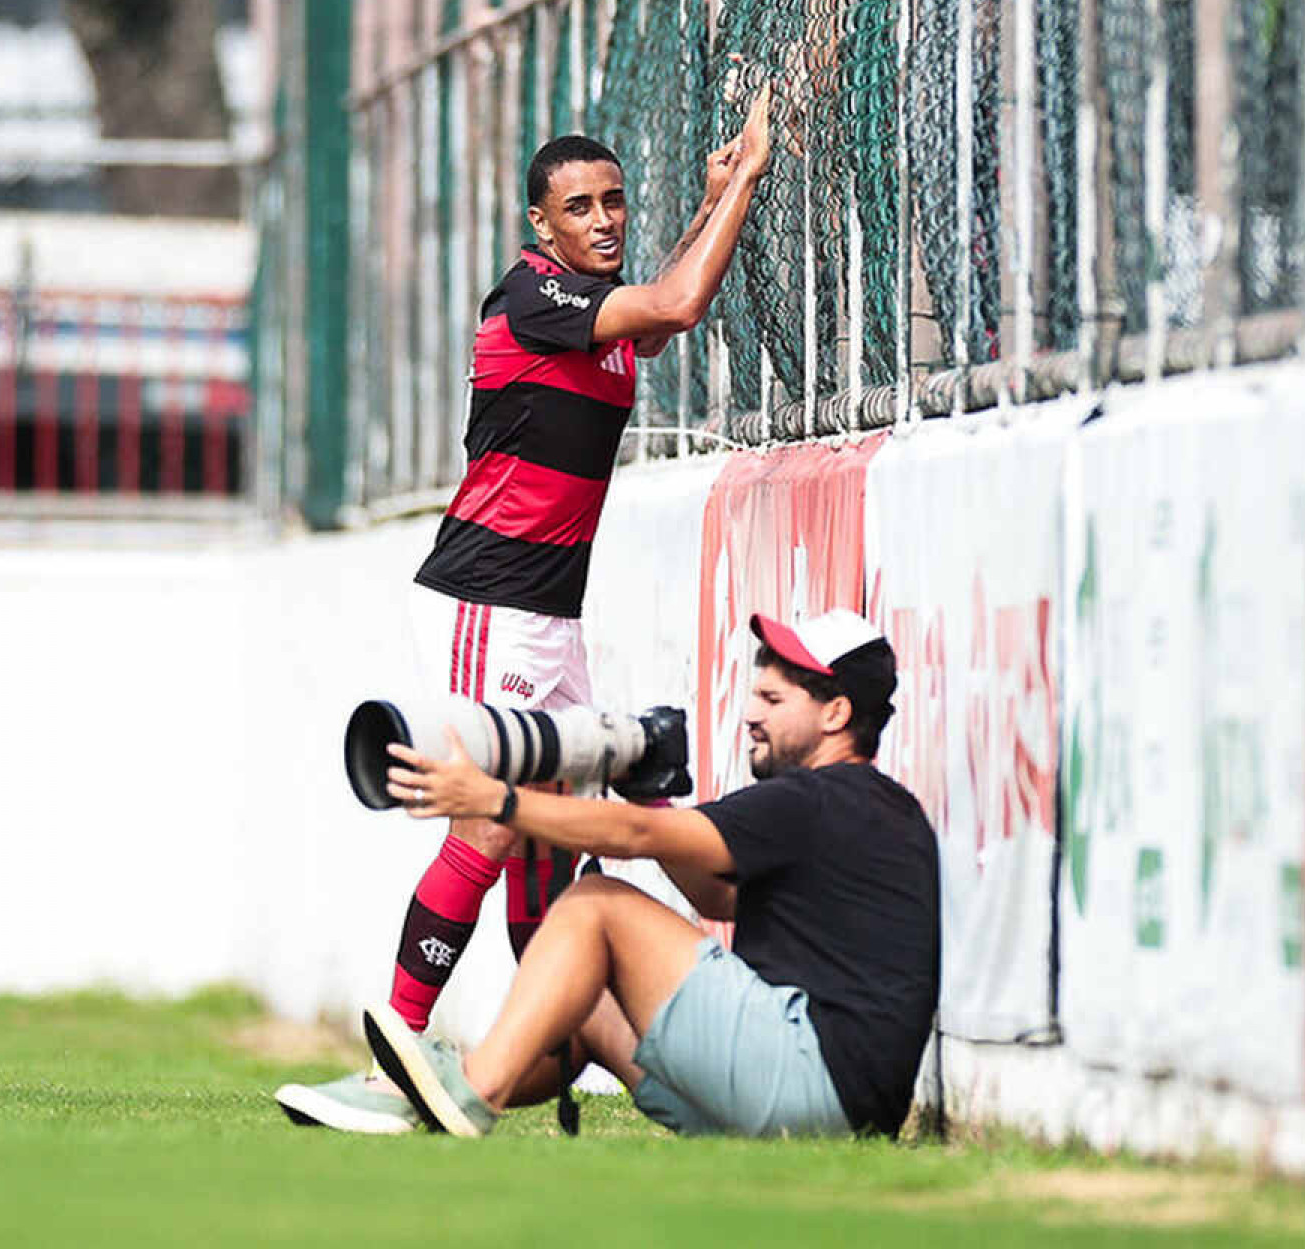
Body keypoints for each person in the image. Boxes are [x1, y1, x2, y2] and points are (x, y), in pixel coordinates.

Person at [276, 87, 777, 1133]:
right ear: (539, 226)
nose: (602, 220)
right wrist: (748, 182)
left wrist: (709, 199)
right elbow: (677, 307)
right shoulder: (532, 302)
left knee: (557, 826)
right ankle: (395, 1057)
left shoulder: (595, 307)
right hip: (485, 600)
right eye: (578, 208)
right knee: (489, 821)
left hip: (549, 615)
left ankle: (550, 1051)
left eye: (614, 201)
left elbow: (653, 308)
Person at [350, 610, 939, 1140]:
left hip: (809, 1088)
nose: (750, 714)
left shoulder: (816, 799)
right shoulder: (873, 807)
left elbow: (637, 835)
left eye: (772, 699)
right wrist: (650, 794)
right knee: (588, 997)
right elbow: (719, 899)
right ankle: (423, 1097)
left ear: (836, 713)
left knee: (595, 903)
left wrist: (494, 799)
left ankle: (472, 1092)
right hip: (831, 1106)